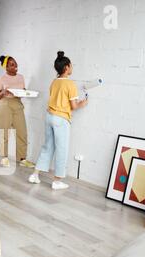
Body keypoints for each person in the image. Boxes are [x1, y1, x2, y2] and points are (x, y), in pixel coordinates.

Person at [28, 51, 88, 190]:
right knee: (62, 149)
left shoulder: (54, 82)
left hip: (49, 116)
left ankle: (35, 175)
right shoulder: (70, 84)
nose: (72, 68)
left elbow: (57, 99)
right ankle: (57, 181)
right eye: (71, 66)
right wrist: (82, 103)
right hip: (61, 119)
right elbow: (73, 106)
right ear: (66, 68)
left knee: (47, 146)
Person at [0, 55, 34, 168]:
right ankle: (4, 158)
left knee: (22, 133)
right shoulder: (1, 79)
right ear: (6, 67)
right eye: (12, 64)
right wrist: (3, 92)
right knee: (4, 133)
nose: (15, 66)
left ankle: (22, 159)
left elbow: (21, 92)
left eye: (15, 63)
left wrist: (24, 92)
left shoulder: (21, 77)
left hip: (17, 104)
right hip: (4, 105)